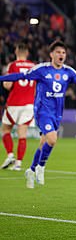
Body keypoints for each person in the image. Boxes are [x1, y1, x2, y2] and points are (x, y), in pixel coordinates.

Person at [0, 40, 76, 188]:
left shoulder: (68, 72)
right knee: (52, 139)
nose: (61, 55)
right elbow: (19, 76)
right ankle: (41, 167)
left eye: (63, 52)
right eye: (58, 52)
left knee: (44, 142)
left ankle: (30, 170)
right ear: (51, 55)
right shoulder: (41, 69)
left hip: (57, 112)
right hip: (42, 110)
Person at [1, 43, 36, 171]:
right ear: (27, 53)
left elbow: (8, 85)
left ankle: (10, 155)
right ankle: (18, 164)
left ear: (16, 51)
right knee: (23, 134)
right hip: (29, 104)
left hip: (14, 103)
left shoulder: (12, 65)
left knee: (5, 130)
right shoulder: (33, 66)